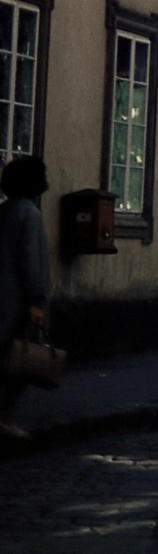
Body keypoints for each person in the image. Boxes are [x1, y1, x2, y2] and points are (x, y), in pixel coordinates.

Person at [0, 154, 51, 439]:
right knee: (20, 362)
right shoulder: (30, 214)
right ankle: (5, 419)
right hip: (16, 302)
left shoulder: (4, 211)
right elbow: (32, 261)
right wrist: (37, 301)